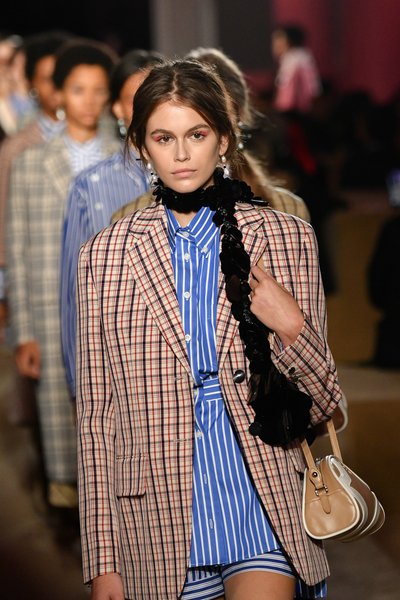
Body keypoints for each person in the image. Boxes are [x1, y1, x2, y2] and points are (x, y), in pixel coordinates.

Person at [76, 59, 343, 600]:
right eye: (163, 137)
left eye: (196, 135)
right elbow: (97, 418)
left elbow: (324, 404)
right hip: (156, 515)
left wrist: (292, 326)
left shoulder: (284, 237)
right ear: (140, 146)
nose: (181, 153)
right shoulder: (104, 256)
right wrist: (102, 560)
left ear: (223, 139)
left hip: (262, 495)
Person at [6, 38, 118, 509]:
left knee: (118, 430)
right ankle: (75, 521)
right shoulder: (31, 164)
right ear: (58, 93)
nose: (88, 101)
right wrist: (24, 332)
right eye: (77, 89)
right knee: (63, 429)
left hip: (113, 311)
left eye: (98, 90)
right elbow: (18, 251)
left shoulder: (126, 159)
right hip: (52, 312)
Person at [60, 49, 163, 397]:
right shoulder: (90, 187)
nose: (150, 107)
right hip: (121, 361)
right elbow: (75, 293)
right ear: (117, 108)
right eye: (137, 99)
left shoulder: (197, 176)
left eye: (157, 95)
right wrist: (81, 387)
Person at [271, 25, 320, 115]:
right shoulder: (300, 57)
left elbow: (292, 98)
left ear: (290, 40)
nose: (275, 44)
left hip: (295, 114)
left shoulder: (294, 60)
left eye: (279, 39)